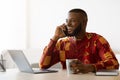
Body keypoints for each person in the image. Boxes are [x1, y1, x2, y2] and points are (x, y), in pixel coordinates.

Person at [39, 8, 119, 73]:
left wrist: (90, 67)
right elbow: (43, 65)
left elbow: (114, 63)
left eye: (73, 21)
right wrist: (55, 38)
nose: (68, 24)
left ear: (84, 23)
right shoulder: (62, 43)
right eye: (67, 21)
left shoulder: (97, 40)